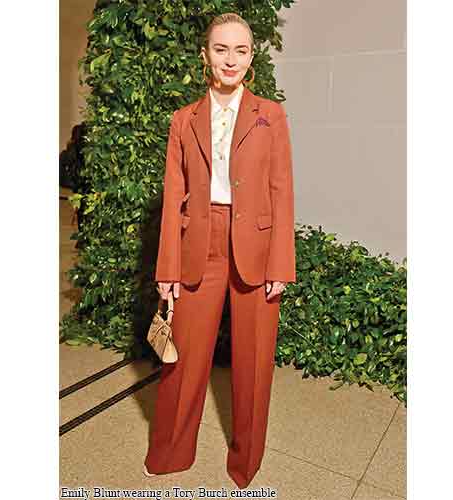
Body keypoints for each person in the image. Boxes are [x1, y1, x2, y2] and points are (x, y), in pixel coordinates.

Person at [143, 12, 296, 490]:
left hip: (258, 245)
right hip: (199, 242)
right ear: (205, 55)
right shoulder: (183, 120)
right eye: (221, 49)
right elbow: (174, 196)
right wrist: (167, 268)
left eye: (241, 50)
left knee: (254, 363)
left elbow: (282, 190)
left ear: (251, 58)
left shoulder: (271, 115)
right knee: (182, 358)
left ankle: (245, 463)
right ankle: (170, 452)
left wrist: (281, 263)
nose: (231, 59)